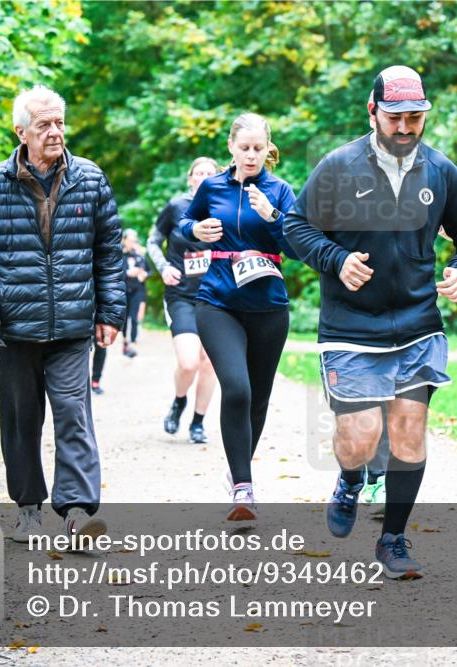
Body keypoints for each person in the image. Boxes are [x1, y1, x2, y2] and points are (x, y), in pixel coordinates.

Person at [284, 66, 457, 578]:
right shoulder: (338, 166)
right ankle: (350, 479)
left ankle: (393, 539)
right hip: (351, 328)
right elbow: (296, 226)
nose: (404, 127)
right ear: (372, 111)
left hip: (419, 325)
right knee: (360, 437)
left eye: (414, 118)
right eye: (395, 117)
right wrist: (336, 259)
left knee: (408, 433)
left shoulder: (439, 170)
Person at [0, 85, 125, 544]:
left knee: (74, 416)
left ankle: (78, 513)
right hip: (17, 328)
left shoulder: (90, 179)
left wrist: (111, 312)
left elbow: (108, 252)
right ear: (21, 131)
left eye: (59, 123)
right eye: (44, 124)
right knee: (21, 422)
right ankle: (28, 509)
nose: (55, 132)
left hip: (72, 325)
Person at [180, 113, 298, 526]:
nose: (251, 155)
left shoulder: (280, 191)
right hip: (218, 303)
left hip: (268, 306)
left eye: (258, 148)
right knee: (237, 387)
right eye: (244, 148)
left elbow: (299, 246)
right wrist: (196, 230)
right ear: (230, 147)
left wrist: (273, 217)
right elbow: (184, 223)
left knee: (259, 398)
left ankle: (237, 467)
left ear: (268, 149)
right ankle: (243, 489)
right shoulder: (212, 186)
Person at [147, 157, 220, 444]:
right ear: (190, 178)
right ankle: (179, 401)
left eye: (210, 173)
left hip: (215, 297)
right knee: (189, 362)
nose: (203, 177)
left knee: (209, 363)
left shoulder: (225, 208)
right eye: (198, 173)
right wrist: (164, 267)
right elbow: (153, 241)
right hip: (181, 295)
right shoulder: (176, 206)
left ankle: (198, 423)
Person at [121, 228, 150, 358]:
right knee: (124, 318)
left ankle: (132, 342)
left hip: (137, 290)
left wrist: (144, 274)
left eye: (134, 240)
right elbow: (114, 273)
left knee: (134, 317)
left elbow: (149, 270)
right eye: (130, 240)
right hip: (124, 290)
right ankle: (124, 340)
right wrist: (127, 273)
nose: (132, 243)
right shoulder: (119, 255)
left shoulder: (139, 255)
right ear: (124, 240)